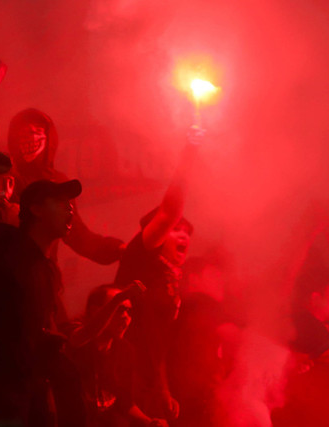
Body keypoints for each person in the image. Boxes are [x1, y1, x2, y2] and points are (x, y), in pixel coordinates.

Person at [0, 151, 86, 426]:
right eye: (61, 202)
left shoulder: (50, 270)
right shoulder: (10, 242)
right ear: (36, 209)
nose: (70, 209)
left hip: (32, 388)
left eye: (71, 203)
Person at [0, 83, 124, 264]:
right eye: (22, 133)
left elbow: (78, 236)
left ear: (49, 140)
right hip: (2, 273)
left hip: (41, 276)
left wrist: (117, 249)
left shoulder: (57, 182)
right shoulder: (4, 174)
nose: (30, 137)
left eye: (37, 131)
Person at [113, 126, 203, 422]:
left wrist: (163, 391)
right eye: (176, 229)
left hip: (148, 387)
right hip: (120, 379)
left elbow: (159, 345)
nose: (183, 235)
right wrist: (190, 151)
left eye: (187, 232)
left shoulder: (171, 281)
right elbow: (169, 211)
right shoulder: (139, 257)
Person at [66, 282, 168, 427]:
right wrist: (120, 297)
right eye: (119, 309)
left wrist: (150, 422)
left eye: (129, 311)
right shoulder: (73, 332)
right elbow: (80, 338)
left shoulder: (125, 351)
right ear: (95, 311)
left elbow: (125, 403)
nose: (126, 317)